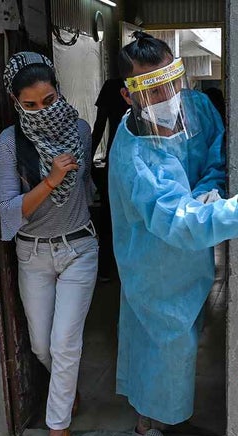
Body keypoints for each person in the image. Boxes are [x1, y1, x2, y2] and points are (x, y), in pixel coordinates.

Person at [107, 32, 238, 436]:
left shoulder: (196, 107)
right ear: (128, 95)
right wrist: (237, 212)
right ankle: (145, 426)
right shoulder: (134, 157)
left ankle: (169, 414)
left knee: (189, 337)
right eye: (152, 90)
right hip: (156, 261)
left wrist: (208, 190)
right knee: (165, 341)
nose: (167, 96)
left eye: (171, 82)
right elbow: (175, 221)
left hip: (194, 250)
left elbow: (216, 155)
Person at [0, 52, 97, 436]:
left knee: (64, 343)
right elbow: (9, 210)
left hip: (79, 248)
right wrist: (52, 178)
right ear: (16, 102)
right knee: (42, 346)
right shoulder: (10, 142)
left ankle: (58, 425)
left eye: (49, 100)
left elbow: (86, 186)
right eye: (31, 104)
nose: (42, 109)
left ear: (59, 91)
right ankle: (66, 390)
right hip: (33, 253)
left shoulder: (80, 130)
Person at [89, 76, 129, 282]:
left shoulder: (112, 85)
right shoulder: (141, 81)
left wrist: (88, 160)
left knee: (108, 216)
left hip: (116, 157)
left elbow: (99, 125)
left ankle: (105, 269)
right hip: (132, 157)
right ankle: (124, 270)